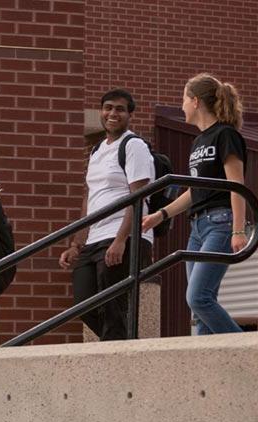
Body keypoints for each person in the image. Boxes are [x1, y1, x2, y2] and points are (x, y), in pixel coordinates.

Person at [142, 73, 247, 335]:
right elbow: (194, 190)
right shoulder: (198, 142)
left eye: (184, 99)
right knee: (199, 311)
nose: (182, 106)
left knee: (198, 298)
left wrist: (238, 229)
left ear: (196, 101)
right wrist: (161, 215)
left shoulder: (226, 135)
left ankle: (248, 351)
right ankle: (207, 372)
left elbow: (237, 185)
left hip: (220, 223)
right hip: (197, 228)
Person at [59, 89, 155, 341]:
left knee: (112, 305)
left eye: (120, 109)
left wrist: (121, 240)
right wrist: (76, 243)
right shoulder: (96, 150)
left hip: (123, 235)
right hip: (95, 238)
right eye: (108, 107)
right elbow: (88, 198)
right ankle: (119, 345)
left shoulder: (134, 146)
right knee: (83, 302)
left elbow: (138, 196)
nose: (113, 113)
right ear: (101, 111)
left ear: (129, 115)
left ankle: (116, 351)